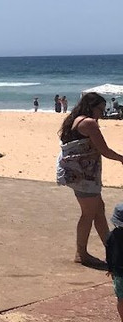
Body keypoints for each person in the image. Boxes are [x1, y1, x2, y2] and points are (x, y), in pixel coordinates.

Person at [56, 92, 123, 268]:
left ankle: (112, 250)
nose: (102, 113)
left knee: (98, 211)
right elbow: (104, 150)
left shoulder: (75, 119)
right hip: (84, 176)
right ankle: (82, 253)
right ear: (91, 107)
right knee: (88, 214)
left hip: (77, 174)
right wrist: (122, 159)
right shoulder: (89, 123)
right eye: (100, 109)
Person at [107, 203, 123, 322]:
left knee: (121, 298)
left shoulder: (112, 235)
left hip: (118, 271)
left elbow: (109, 253)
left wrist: (110, 269)